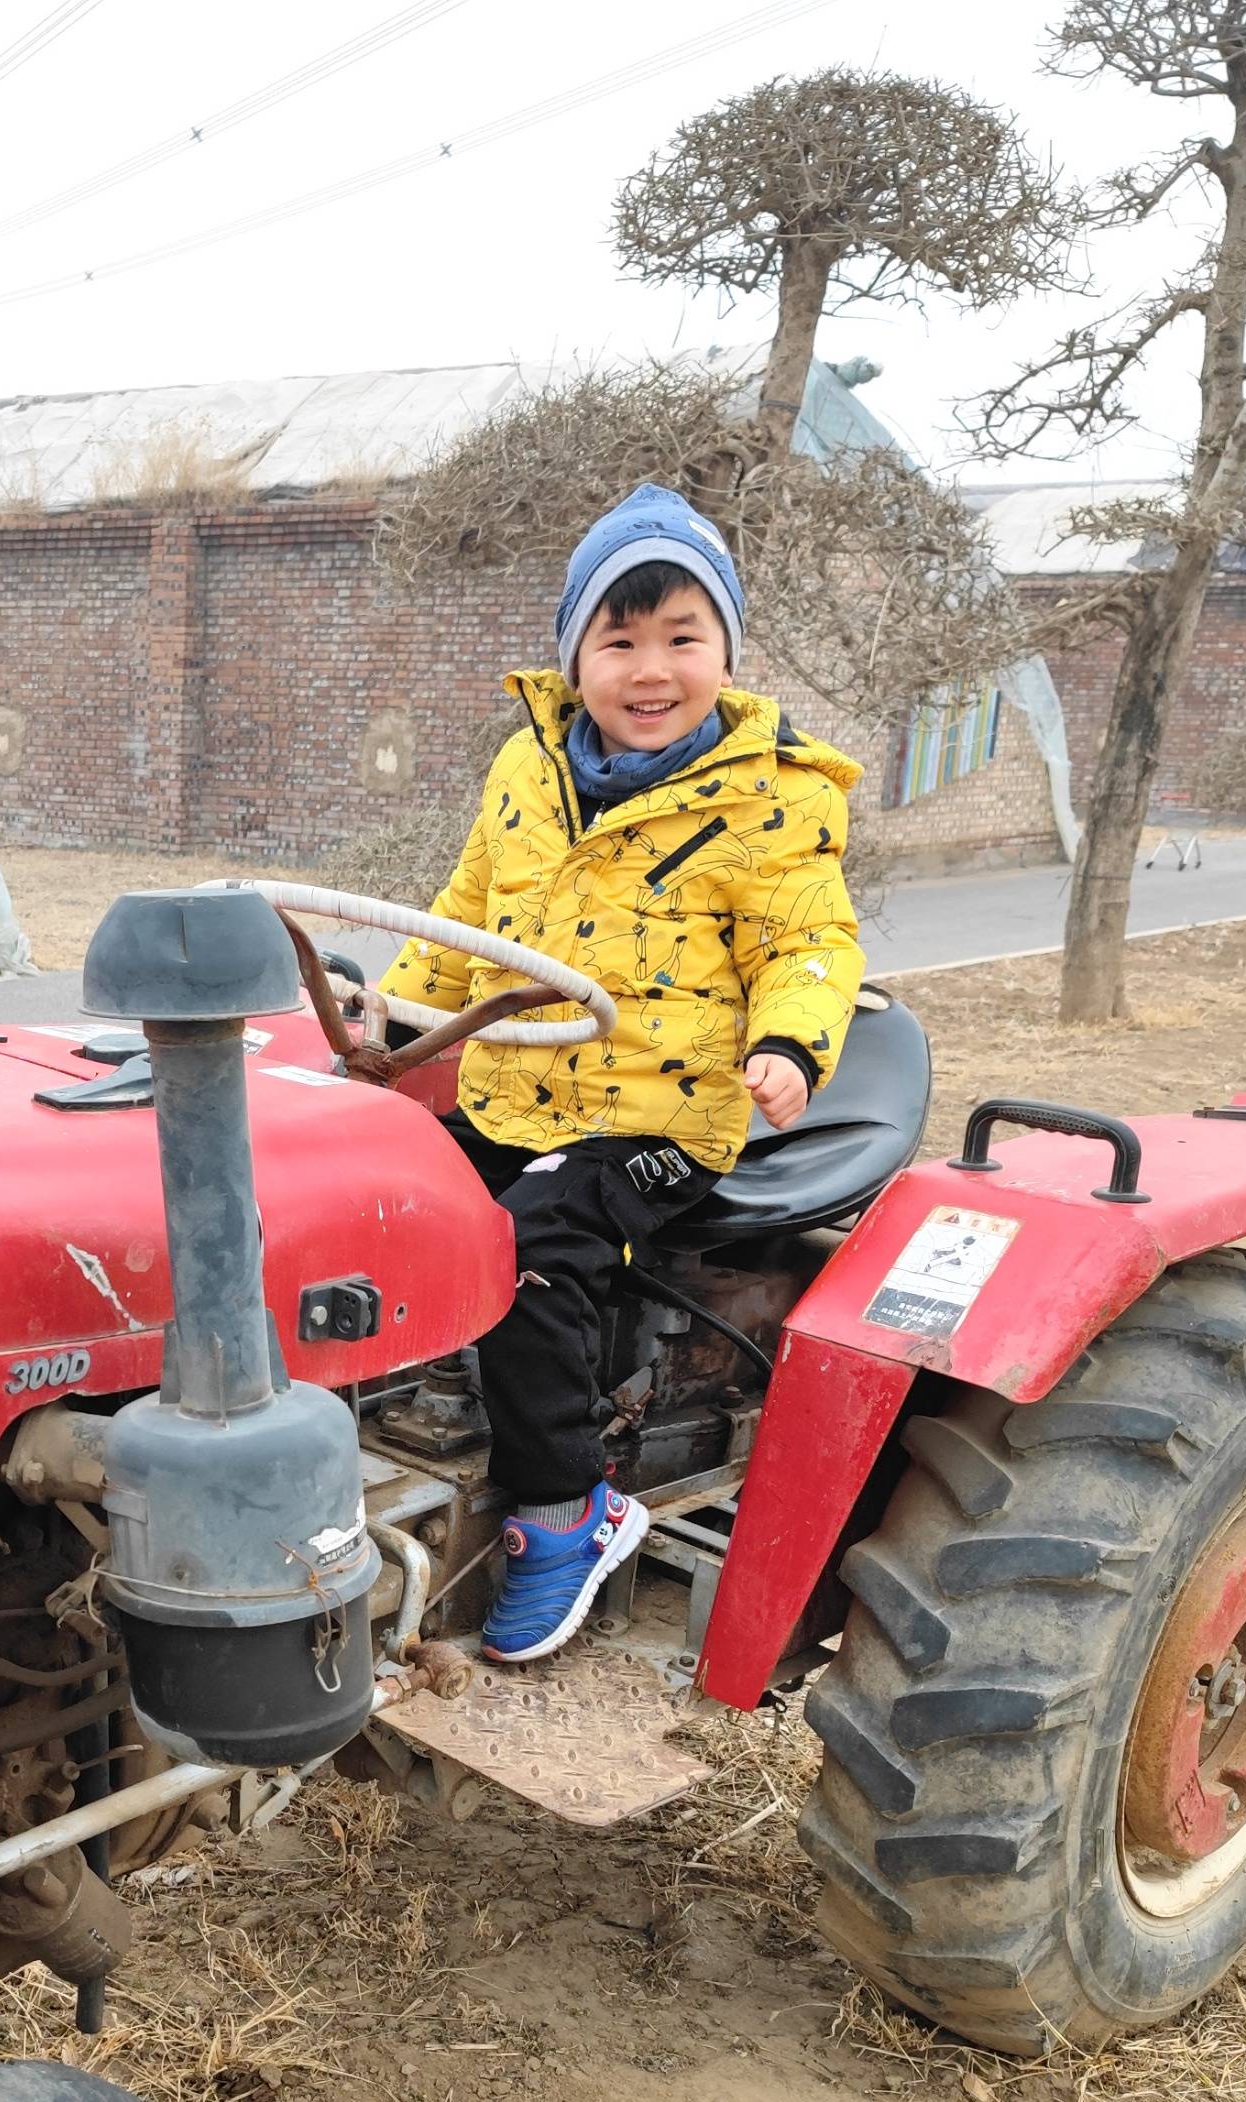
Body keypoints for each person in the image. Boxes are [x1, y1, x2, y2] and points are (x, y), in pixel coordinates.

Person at [365, 483, 864, 1663]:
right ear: (576, 654)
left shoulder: (774, 797)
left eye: (682, 638)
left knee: (532, 1246)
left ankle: (563, 1510)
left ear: (724, 652)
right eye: (620, 638)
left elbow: (808, 941)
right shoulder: (526, 771)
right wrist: (393, 1026)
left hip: (666, 1107)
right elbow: (464, 920)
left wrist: (789, 1043)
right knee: (373, 1182)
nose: (652, 668)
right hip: (519, 1082)